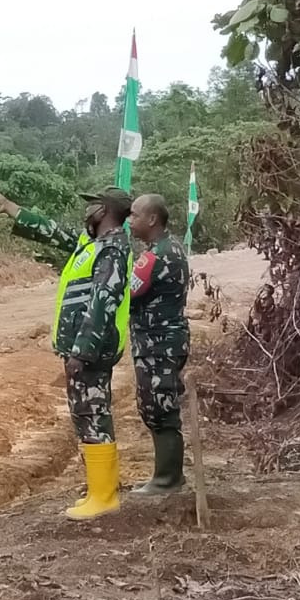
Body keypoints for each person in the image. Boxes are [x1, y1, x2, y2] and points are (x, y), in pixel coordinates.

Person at [0, 187, 134, 521]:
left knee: (94, 417)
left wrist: (81, 352)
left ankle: (104, 496)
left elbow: (102, 303)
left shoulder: (112, 249)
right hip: (87, 349)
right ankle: (99, 491)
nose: (86, 211)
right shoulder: (92, 245)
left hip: (92, 351)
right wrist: (15, 210)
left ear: (104, 210)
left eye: (91, 205)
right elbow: (56, 232)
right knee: (88, 417)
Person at [126, 194, 190, 495]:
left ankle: (167, 479)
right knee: (161, 403)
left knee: (159, 406)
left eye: (135, 215)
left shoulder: (154, 256)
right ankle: (167, 476)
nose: (130, 220)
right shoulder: (173, 246)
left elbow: (128, 293)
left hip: (158, 343)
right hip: (168, 340)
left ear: (152, 219)